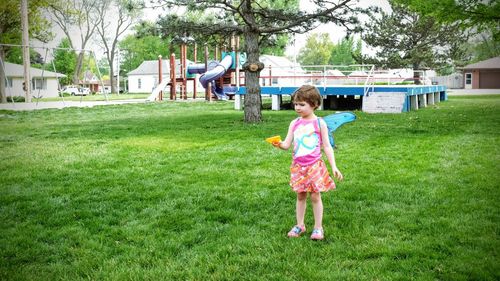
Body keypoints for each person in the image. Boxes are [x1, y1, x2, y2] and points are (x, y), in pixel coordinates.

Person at [273, 85, 343, 240]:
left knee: (315, 196)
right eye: (296, 104)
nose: (297, 108)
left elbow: (327, 146)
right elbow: (287, 144)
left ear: (314, 104)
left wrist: (334, 166)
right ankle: (300, 225)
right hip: (298, 167)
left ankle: (318, 228)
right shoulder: (294, 123)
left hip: (314, 166)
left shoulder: (319, 123)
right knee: (300, 196)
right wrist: (279, 144)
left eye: (302, 104)